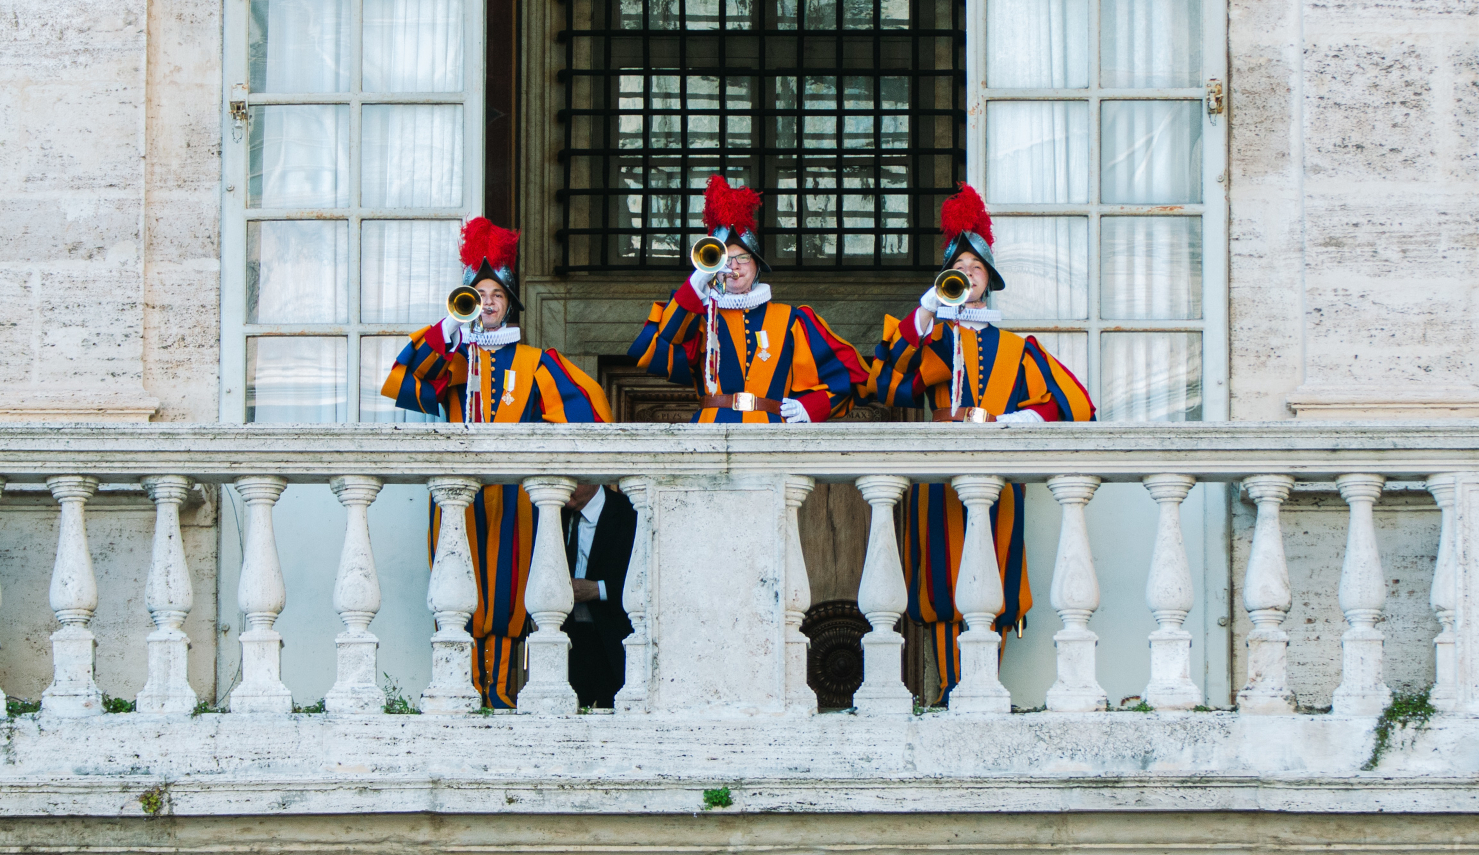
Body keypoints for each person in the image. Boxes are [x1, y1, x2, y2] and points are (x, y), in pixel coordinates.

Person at [861, 184, 1096, 706]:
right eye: (959, 265)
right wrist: (925, 315)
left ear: (989, 280)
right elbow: (884, 383)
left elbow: (1079, 405)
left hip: (998, 472)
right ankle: (951, 688)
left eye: (977, 266)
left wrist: (1026, 417)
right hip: (941, 475)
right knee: (942, 588)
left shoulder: (1018, 348)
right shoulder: (935, 338)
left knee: (1000, 584)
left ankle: (986, 685)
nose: (968, 273)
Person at [385, 217, 614, 708]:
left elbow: (591, 411)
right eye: (477, 293)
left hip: (515, 501)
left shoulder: (536, 362)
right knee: (454, 594)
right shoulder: (452, 361)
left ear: (510, 305)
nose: (486, 301)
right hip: (456, 499)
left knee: (511, 599)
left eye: (496, 295)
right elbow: (405, 381)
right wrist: (449, 328)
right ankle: (459, 691)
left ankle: (503, 694)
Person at [629, 175, 867, 422]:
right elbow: (656, 351)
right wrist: (695, 285)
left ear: (756, 265)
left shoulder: (794, 320)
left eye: (743, 257)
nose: (734, 266)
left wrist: (810, 407)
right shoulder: (698, 316)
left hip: (774, 434)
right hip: (710, 432)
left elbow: (851, 378)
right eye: (724, 259)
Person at [562, 482, 637, 708]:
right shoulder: (554, 509)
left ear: (592, 477)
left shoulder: (629, 512)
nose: (565, 487)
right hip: (570, 638)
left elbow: (648, 574)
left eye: (573, 480)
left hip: (614, 638)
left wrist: (597, 590)